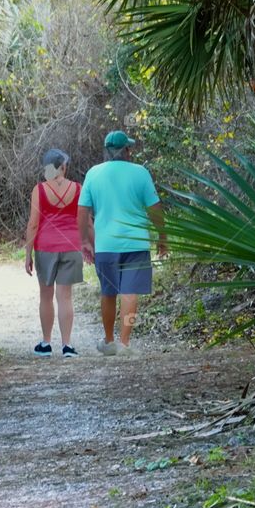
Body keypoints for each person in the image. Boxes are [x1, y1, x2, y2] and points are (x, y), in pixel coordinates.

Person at [77, 131, 167, 355]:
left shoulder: (93, 173)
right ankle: (125, 344)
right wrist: (162, 236)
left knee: (108, 292)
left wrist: (85, 242)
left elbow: (82, 211)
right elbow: (155, 209)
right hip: (136, 244)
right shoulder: (140, 173)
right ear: (126, 150)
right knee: (130, 293)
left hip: (106, 245)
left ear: (106, 152)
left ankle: (109, 342)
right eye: (129, 148)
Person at [24, 148, 87, 358]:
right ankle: (67, 346)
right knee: (65, 297)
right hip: (71, 245)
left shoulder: (39, 190)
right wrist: (87, 245)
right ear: (63, 166)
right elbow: (83, 220)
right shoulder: (78, 188)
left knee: (46, 296)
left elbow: (33, 224)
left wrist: (28, 253)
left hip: (46, 247)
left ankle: (46, 343)